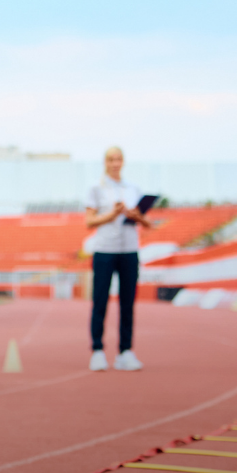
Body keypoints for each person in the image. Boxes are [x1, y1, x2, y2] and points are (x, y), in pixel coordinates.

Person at [85, 146, 152, 372]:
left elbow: (148, 223)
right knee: (100, 301)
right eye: (111, 159)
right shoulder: (96, 188)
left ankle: (126, 351)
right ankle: (97, 350)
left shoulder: (133, 189)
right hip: (104, 250)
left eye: (119, 159)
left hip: (130, 250)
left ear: (123, 161)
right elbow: (89, 221)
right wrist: (112, 214)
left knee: (128, 303)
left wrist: (136, 215)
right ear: (104, 162)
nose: (115, 163)